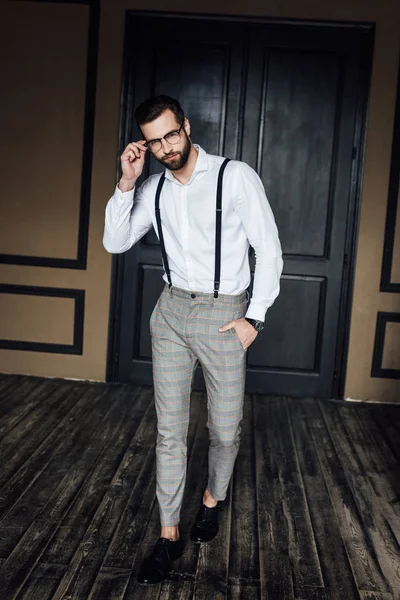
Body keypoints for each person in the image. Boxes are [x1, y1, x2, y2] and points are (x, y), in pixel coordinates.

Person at [103, 95, 283, 585]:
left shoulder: (234, 176)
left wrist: (255, 318)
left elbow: (269, 248)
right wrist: (125, 182)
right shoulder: (154, 188)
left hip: (226, 314)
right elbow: (114, 243)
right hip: (172, 314)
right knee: (170, 431)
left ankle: (211, 500)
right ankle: (167, 535)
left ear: (186, 126)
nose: (165, 147)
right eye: (154, 140)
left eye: (171, 134)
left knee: (225, 430)